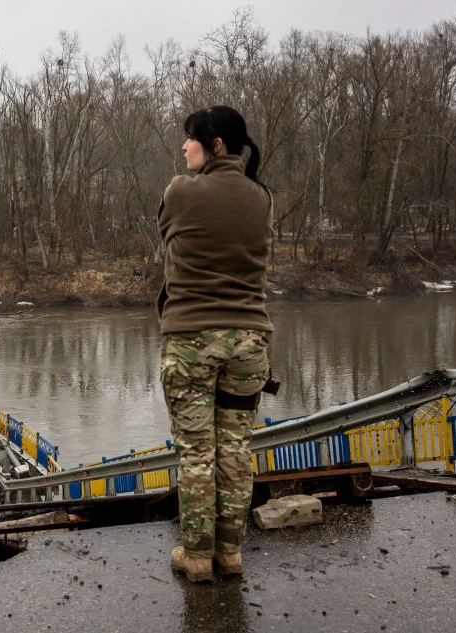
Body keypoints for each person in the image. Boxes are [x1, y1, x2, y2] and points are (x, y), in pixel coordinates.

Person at [157, 105, 273, 583]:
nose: (184, 147)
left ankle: (198, 557)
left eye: (191, 139)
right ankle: (231, 555)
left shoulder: (181, 191)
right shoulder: (262, 198)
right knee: (235, 450)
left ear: (216, 145)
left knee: (197, 453)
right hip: (249, 343)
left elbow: (168, 236)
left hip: (192, 341)